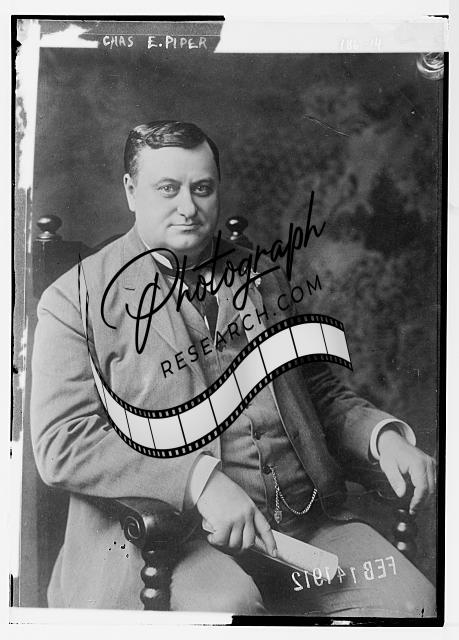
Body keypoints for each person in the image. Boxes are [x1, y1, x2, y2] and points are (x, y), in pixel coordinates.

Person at [31, 120, 436, 616]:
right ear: (131, 191)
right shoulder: (75, 299)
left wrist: (382, 437)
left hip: (301, 529)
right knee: (232, 609)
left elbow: (317, 394)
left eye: (202, 188)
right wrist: (198, 481)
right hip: (170, 542)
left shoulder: (261, 275)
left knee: (414, 602)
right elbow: (62, 440)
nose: (188, 207)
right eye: (168, 189)